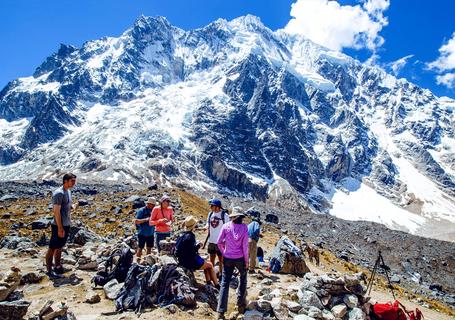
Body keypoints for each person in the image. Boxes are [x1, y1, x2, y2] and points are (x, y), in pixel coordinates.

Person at [216, 207, 249, 319]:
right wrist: (246, 261)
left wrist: (224, 252)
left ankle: (221, 311)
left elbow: (219, 242)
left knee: (225, 282)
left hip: (228, 258)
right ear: (239, 217)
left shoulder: (226, 227)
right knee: (243, 279)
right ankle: (240, 304)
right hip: (240, 258)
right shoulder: (244, 228)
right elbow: (245, 246)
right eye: (241, 217)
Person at [45, 173, 77, 279]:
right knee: (52, 247)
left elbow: (65, 206)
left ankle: (58, 266)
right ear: (65, 181)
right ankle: (49, 271)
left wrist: (73, 206)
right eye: (72, 181)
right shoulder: (59, 193)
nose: (74, 183)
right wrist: (59, 228)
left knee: (60, 246)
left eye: (74, 181)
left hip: (66, 223)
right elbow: (56, 212)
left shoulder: (68, 191)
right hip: (59, 225)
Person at [176, 216, 219, 287]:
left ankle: (209, 283)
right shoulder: (190, 236)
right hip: (189, 262)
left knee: (206, 263)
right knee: (210, 265)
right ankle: (217, 285)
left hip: (182, 260)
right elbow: (192, 251)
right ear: (193, 226)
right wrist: (199, 246)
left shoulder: (182, 235)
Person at [205, 199, 229, 276]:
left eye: (214, 206)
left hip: (220, 241)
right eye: (212, 206)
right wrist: (203, 228)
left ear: (218, 207)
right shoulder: (210, 214)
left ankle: (221, 274)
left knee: (221, 259)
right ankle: (211, 273)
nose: (212, 208)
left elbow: (228, 228)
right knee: (211, 257)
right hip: (211, 240)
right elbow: (208, 224)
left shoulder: (225, 215)